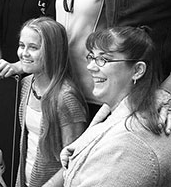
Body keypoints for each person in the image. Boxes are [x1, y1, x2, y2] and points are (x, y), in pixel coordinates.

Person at [62, 26, 171, 186]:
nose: (90, 66)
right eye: (91, 57)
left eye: (103, 59)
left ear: (138, 70)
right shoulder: (116, 114)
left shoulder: (130, 145)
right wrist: (81, 154)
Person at [0, 17, 87, 187]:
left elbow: (75, 161)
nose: (24, 53)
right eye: (22, 45)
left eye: (33, 47)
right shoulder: (27, 84)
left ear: (53, 51)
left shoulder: (66, 97)